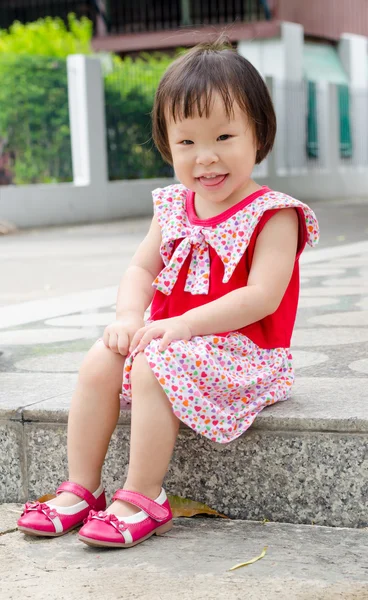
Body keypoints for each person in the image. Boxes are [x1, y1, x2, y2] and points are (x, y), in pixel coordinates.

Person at [17, 37, 319, 548]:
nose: (206, 158)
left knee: (155, 367)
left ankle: (142, 496)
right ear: (167, 143)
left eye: (224, 137)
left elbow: (262, 296)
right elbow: (140, 267)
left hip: (244, 352)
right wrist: (129, 316)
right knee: (100, 359)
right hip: (167, 339)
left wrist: (180, 327)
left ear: (258, 135)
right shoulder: (174, 206)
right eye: (187, 142)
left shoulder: (274, 214)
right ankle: (81, 489)